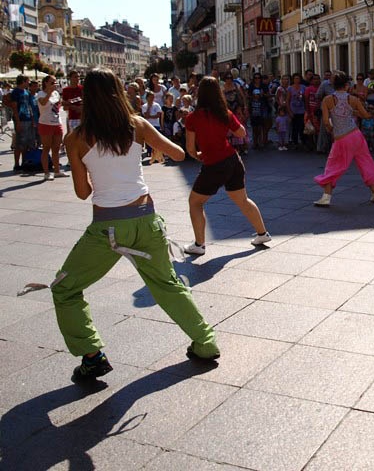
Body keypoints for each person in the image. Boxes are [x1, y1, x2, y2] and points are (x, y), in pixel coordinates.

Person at [56, 68, 219, 382]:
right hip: (145, 220)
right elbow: (178, 153)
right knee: (168, 285)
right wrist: (151, 147)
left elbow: (82, 192)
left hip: (106, 227)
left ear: (86, 98)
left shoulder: (75, 138)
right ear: (120, 92)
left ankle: (92, 355)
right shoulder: (138, 125)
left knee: (65, 289)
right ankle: (205, 342)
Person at [183, 77, 271, 255]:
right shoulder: (225, 113)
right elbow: (242, 133)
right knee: (242, 200)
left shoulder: (192, 118)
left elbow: (190, 149)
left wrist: (198, 155)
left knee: (195, 202)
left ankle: (199, 245)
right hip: (232, 160)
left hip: (214, 165)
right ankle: (262, 233)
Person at [313, 71, 374, 207]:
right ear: (346, 85)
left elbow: (326, 121)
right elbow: (366, 115)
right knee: (365, 162)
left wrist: (331, 130)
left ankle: (326, 196)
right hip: (356, 135)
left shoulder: (328, 100)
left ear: (333, 84)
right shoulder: (353, 99)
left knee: (333, 166)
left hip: (342, 138)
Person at [36, 75, 68, 179]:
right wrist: (49, 92)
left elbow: (58, 106)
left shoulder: (56, 93)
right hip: (45, 123)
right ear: (45, 83)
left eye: (55, 82)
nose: (54, 84)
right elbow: (43, 103)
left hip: (56, 123)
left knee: (56, 148)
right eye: (52, 82)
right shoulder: (40, 93)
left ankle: (57, 171)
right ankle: (46, 173)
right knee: (46, 148)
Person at [9, 75, 36, 172]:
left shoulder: (27, 92)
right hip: (21, 119)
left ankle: (24, 162)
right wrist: (18, 122)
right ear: (23, 81)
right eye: (28, 81)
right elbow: (14, 107)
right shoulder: (15, 92)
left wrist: (32, 119)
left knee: (27, 144)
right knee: (19, 143)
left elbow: (29, 106)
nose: (29, 83)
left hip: (28, 118)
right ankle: (17, 164)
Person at [142, 91, 164, 164]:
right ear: (147, 98)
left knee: (156, 140)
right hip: (148, 125)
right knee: (148, 140)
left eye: (153, 97)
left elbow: (158, 115)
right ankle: (150, 152)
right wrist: (149, 107)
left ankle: (156, 154)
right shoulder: (144, 106)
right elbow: (145, 115)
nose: (152, 98)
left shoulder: (157, 105)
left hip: (156, 125)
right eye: (150, 97)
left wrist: (150, 116)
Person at [62, 70, 83, 135]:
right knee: (73, 138)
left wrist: (80, 108)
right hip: (72, 118)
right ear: (70, 78)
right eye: (75, 77)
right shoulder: (65, 90)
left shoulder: (82, 89)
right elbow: (64, 107)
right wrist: (73, 107)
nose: (77, 79)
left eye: (78, 77)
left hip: (83, 118)